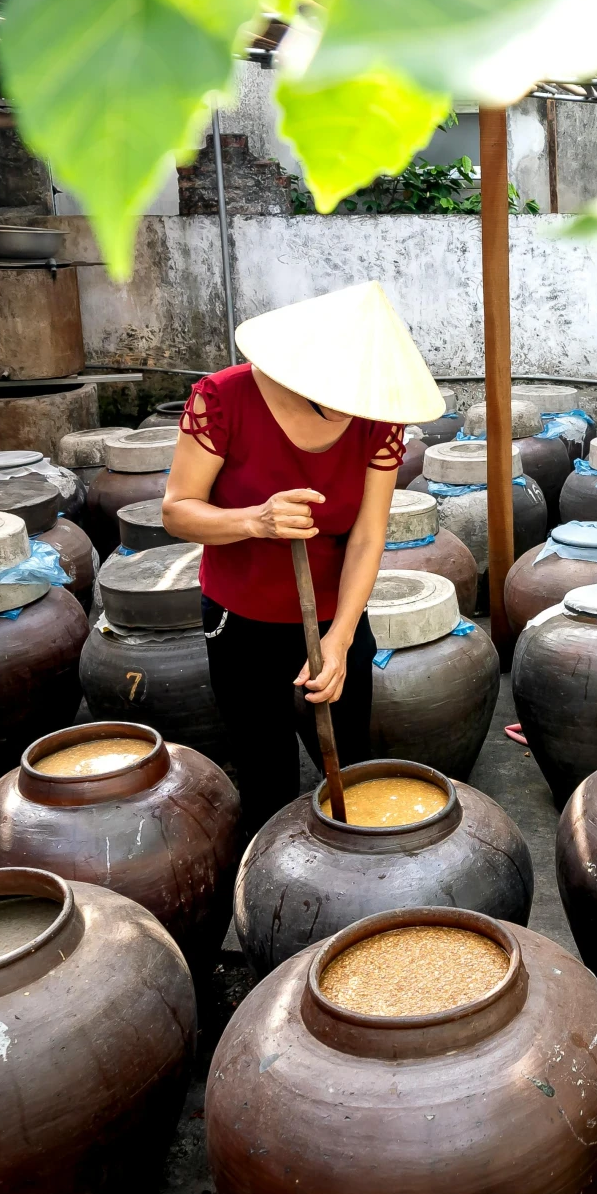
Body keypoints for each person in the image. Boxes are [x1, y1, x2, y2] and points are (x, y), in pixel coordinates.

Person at [159, 282, 444, 821]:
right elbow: (176, 511)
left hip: (335, 615)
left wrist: (340, 639)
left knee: (354, 770)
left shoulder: (377, 415)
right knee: (266, 773)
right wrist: (253, 521)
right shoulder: (223, 398)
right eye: (341, 397)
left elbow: (366, 535)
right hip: (240, 617)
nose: (352, 412)